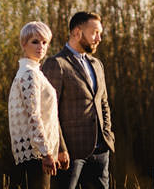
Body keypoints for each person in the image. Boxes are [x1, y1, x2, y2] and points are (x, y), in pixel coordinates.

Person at [41, 11, 114, 189]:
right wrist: (59, 148)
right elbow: (49, 112)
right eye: (95, 32)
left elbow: (103, 103)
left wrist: (107, 135)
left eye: (100, 34)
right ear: (77, 32)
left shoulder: (97, 65)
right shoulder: (56, 64)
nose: (99, 38)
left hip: (100, 152)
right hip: (70, 154)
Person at [9, 21, 70, 189]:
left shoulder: (35, 72)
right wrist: (46, 153)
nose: (40, 47)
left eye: (44, 42)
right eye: (35, 42)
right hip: (35, 154)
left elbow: (49, 115)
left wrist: (59, 148)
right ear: (23, 44)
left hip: (39, 152)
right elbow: (34, 116)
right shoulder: (29, 74)